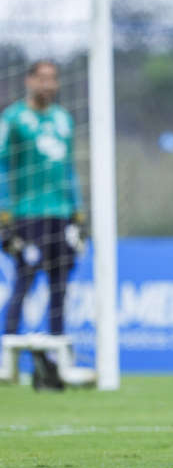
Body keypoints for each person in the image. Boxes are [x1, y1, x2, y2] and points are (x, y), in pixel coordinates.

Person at [0, 60, 85, 391]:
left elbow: (68, 169)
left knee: (60, 285)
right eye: (43, 78)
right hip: (26, 214)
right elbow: (4, 166)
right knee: (24, 279)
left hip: (60, 214)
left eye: (54, 78)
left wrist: (77, 212)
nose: (49, 84)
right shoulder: (13, 119)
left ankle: (53, 364)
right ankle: (7, 359)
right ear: (29, 80)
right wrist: (5, 214)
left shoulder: (63, 119)